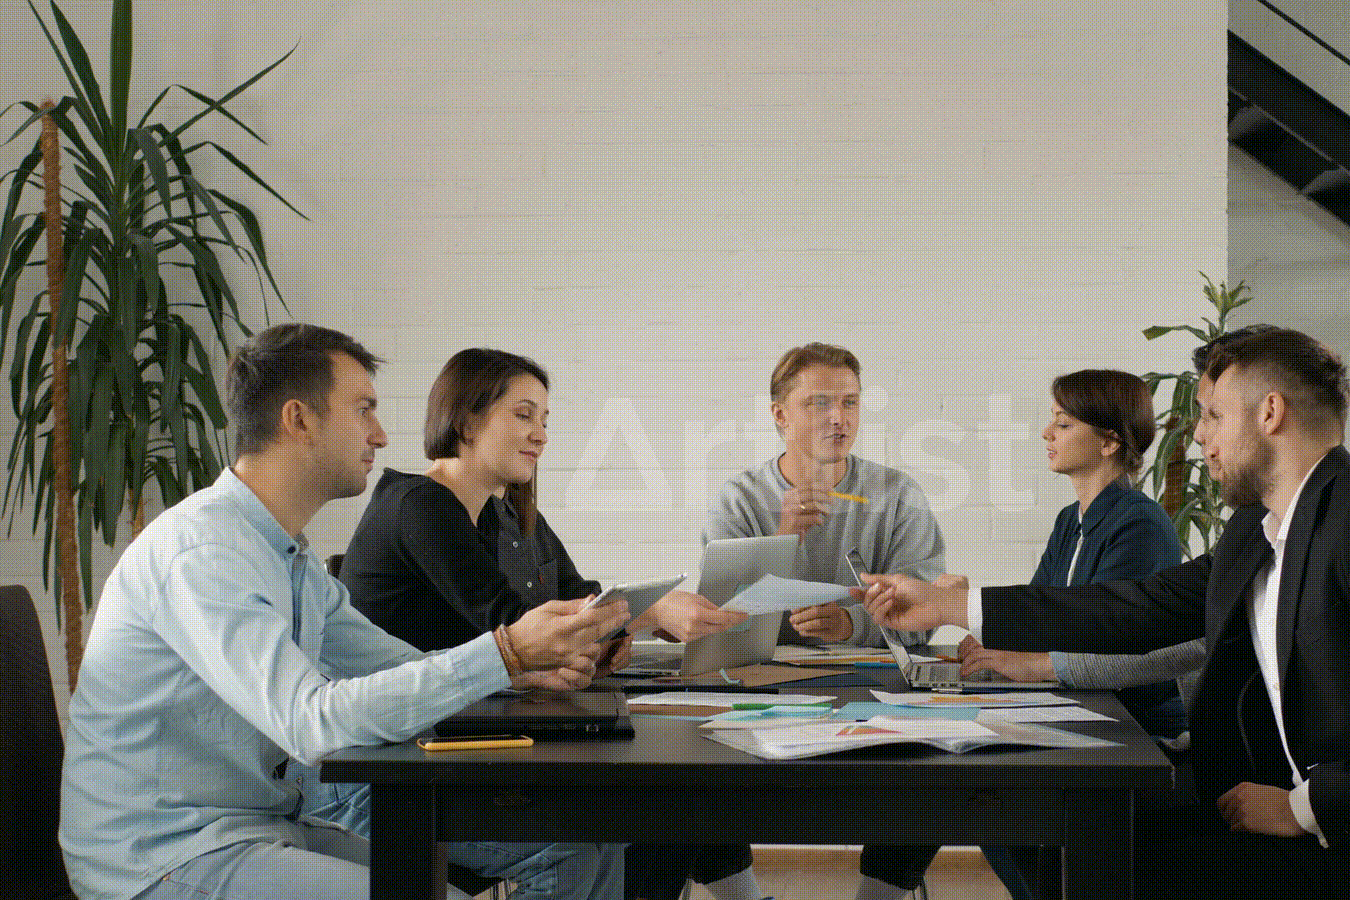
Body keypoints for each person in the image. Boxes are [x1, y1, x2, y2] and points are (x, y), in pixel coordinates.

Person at [862, 328, 1350, 900]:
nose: (1197, 435)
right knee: (1064, 845)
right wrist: (955, 605)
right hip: (1309, 815)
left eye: (1210, 415)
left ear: (1270, 413)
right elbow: (1138, 608)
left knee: (1095, 865)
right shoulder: (1257, 530)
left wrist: (1303, 807)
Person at [58, 324, 630, 900]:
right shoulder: (204, 554)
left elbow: (396, 664)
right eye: (363, 412)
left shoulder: (289, 559)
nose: (381, 436)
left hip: (269, 822)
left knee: (578, 847)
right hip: (164, 854)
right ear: (298, 420)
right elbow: (311, 722)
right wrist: (504, 653)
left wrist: (515, 671)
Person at [296, 347, 749, 900]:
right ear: (465, 420)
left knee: (645, 817)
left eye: (544, 420)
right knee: (596, 840)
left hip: (465, 743)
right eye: (523, 414)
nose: (540, 434)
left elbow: (573, 597)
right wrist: (648, 611)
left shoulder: (504, 512)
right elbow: (513, 627)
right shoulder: (419, 504)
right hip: (392, 772)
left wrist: (605, 640)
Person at [702, 342, 947, 900]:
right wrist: (783, 539)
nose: (839, 417)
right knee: (683, 774)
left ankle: (879, 893)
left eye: (851, 403)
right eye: (819, 403)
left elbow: (925, 618)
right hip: (757, 689)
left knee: (934, 773)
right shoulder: (740, 497)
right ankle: (742, 895)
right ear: (779, 414)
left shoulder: (896, 495)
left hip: (872, 689)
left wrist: (851, 626)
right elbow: (721, 622)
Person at [956, 369, 1200, 900]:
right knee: (979, 791)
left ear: (1110, 441)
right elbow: (1044, 615)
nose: (1046, 433)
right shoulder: (1073, 518)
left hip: (1133, 729)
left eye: (1063, 424)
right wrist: (988, 642)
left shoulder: (1141, 522)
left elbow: (1115, 640)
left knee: (989, 798)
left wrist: (1013, 649)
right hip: (1077, 713)